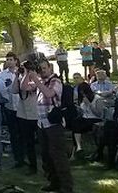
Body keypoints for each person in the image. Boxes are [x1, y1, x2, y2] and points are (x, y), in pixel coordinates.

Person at [28, 60, 73, 193]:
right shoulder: (40, 81)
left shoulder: (55, 81)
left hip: (54, 125)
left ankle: (66, 187)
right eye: (40, 69)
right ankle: (54, 182)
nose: (42, 71)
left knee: (58, 156)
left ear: (50, 68)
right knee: (46, 156)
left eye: (44, 68)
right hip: (41, 124)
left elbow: (49, 94)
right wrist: (27, 73)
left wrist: (36, 79)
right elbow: (24, 88)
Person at [12, 60, 39, 174]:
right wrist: (17, 75)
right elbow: (14, 90)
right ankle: (32, 165)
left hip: (35, 114)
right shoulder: (20, 77)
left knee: (41, 141)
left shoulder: (36, 78)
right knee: (28, 142)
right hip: (23, 114)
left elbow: (25, 87)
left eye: (25, 67)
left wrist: (28, 73)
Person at [0, 52, 24, 168]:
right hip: (9, 107)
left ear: (15, 61)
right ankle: (17, 159)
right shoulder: (2, 75)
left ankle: (25, 156)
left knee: (23, 133)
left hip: (22, 106)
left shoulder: (21, 72)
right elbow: (1, 90)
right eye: (7, 59)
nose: (9, 61)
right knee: (13, 134)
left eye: (11, 59)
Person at [69, 82, 104, 158]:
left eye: (84, 93)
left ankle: (78, 148)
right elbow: (83, 112)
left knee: (78, 125)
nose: (83, 95)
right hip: (85, 118)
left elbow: (99, 114)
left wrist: (89, 104)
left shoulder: (97, 99)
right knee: (75, 122)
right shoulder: (82, 99)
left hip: (95, 119)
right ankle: (78, 147)